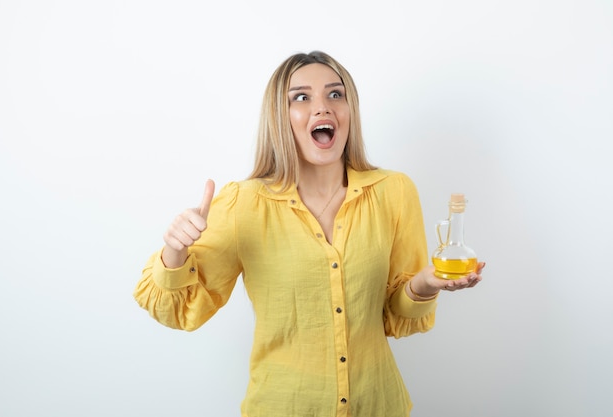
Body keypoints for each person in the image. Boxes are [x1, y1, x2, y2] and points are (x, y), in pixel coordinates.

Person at [134, 50, 484, 417]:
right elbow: (177, 311)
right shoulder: (244, 203)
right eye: (301, 97)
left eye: (335, 94)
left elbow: (395, 314)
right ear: (280, 117)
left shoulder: (394, 192)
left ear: (351, 111)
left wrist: (425, 283)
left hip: (379, 405)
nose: (322, 108)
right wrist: (174, 251)